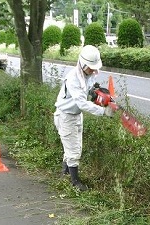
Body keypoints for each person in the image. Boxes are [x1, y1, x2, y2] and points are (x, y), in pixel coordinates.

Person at [53, 45, 114, 191]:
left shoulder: (88, 75)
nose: (93, 71)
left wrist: (97, 92)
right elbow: (81, 103)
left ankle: (65, 174)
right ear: (83, 63)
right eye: (91, 68)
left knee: (73, 147)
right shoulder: (73, 78)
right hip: (66, 116)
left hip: (76, 116)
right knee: (73, 151)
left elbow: (90, 89)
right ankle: (75, 182)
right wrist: (103, 111)